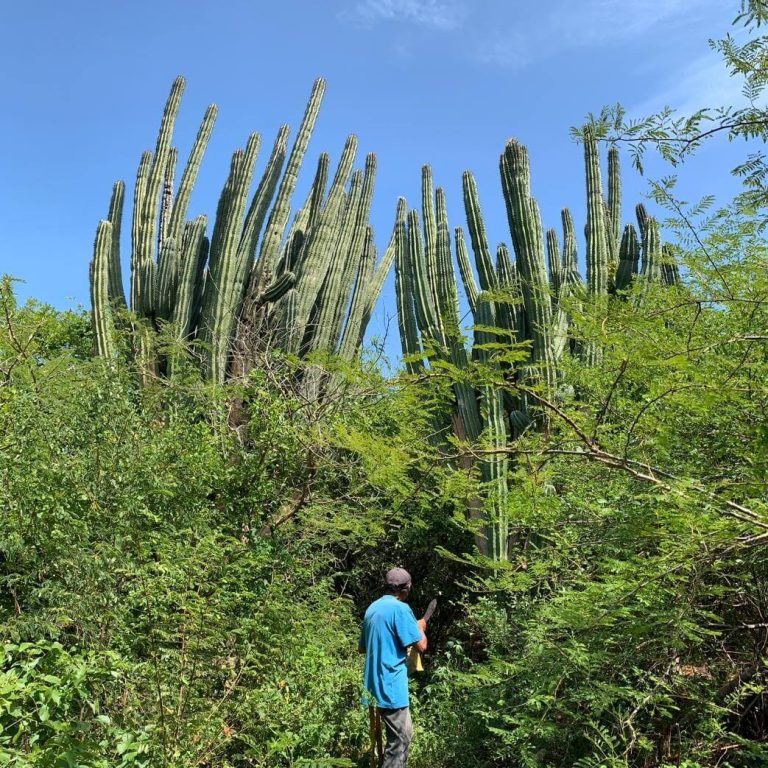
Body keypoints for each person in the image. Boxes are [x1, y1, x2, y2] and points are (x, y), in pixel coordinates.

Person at [358, 567, 428, 768]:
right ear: (406, 588)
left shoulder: (372, 608)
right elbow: (421, 645)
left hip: (373, 684)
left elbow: (362, 648)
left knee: (399, 736)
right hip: (390, 685)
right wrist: (420, 627)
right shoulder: (400, 609)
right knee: (400, 741)